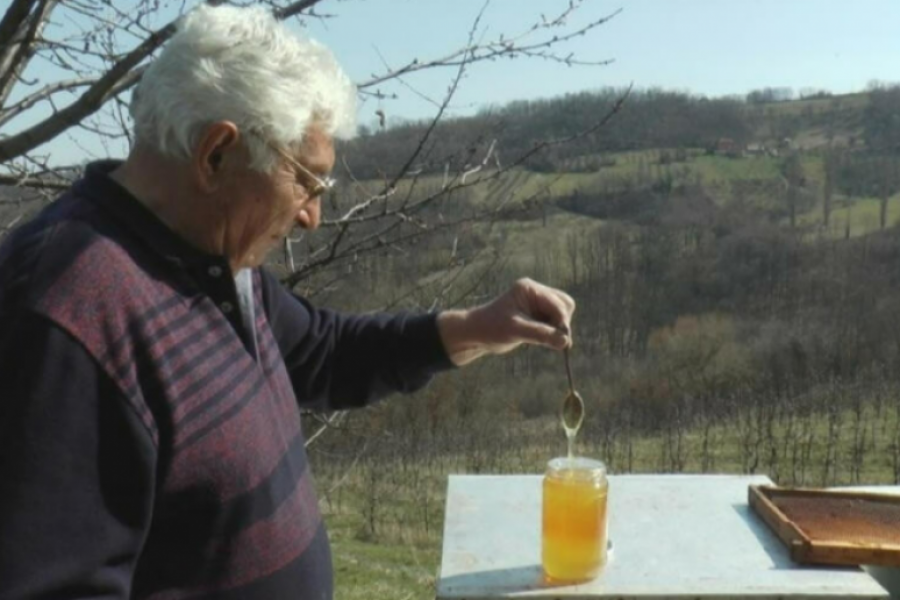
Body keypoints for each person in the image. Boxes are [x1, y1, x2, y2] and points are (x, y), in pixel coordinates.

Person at [0, 5, 574, 599]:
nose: (311, 215)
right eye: (306, 179)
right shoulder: (64, 318)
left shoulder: (207, 262)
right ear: (216, 154)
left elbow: (322, 352)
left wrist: (478, 328)